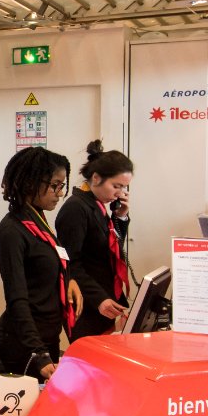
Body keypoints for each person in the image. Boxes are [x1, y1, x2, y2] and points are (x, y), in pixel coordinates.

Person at [0, 146, 74, 379]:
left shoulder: (39, 220)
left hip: (46, 334)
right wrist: (38, 353)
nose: (59, 193)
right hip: (24, 343)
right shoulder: (12, 232)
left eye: (62, 186)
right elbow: (17, 298)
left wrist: (71, 280)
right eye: (54, 185)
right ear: (30, 183)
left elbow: (52, 262)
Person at [56, 141, 133, 339]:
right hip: (89, 306)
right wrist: (99, 299)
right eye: (116, 186)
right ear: (96, 178)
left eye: (124, 187)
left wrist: (120, 217)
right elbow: (71, 264)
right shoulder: (76, 209)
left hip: (105, 301)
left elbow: (110, 249)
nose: (120, 193)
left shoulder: (97, 206)